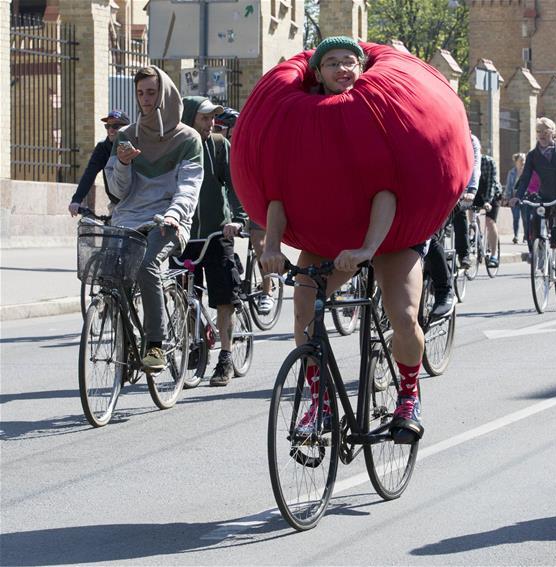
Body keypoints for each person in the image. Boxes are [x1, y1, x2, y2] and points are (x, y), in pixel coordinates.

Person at [258, 36, 466, 444]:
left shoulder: (376, 110)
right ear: (316, 72)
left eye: (349, 62)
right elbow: (280, 193)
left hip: (388, 234)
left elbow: (385, 191)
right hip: (329, 232)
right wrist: (270, 247)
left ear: (362, 68)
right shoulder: (299, 119)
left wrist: (369, 249)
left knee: (404, 314)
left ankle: (408, 396)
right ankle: (318, 402)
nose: (341, 68)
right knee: (304, 312)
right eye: (332, 62)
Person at [105, 66, 202, 371]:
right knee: (107, 270)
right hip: (129, 217)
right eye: (140, 93)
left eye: (152, 92)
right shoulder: (126, 135)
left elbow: (189, 187)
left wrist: (175, 215)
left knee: (148, 264)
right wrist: (121, 164)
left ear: (166, 94)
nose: (146, 100)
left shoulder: (188, 138)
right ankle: (124, 329)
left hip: (169, 220)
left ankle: (156, 344)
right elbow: (117, 192)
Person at [177, 96, 248, 386]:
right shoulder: (176, 146)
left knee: (223, 298)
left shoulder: (219, 145)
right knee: (182, 296)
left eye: (212, 118)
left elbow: (235, 184)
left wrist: (239, 218)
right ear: (190, 118)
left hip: (218, 233)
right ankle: (192, 343)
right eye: (205, 118)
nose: (211, 124)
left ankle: (226, 357)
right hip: (182, 235)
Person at [510, 117, 556, 295]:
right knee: (535, 219)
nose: (542, 135)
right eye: (539, 132)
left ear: (553, 133)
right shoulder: (533, 155)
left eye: (545, 132)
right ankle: (537, 250)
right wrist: (517, 196)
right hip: (544, 197)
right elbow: (525, 178)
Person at [68, 111, 131, 216]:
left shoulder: (135, 145)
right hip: (116, 206)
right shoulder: (102, 148)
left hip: (138, 203)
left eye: (115, 126)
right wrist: (77, 199)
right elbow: (89, 174)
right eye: (108, 126)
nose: (110, 130)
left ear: (127, 128)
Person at [453, 135, 481, 268]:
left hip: (462, 185)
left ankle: (464, 254)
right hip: (446, 183)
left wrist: (472, 189)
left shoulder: (471, 140)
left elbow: (475, 165)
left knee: (459, 213)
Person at [475, 151, 502, 268]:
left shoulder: (488, 162)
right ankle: (476, 235)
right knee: (471, 212)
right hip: (477, 193)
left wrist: (487, 201)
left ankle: (494, 255)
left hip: (493, 194)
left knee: (489, 222)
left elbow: (491, 184)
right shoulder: (469, 161)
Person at [504, 153, 526, 244]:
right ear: (516, 161)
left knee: (525, 218)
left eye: (524, 160)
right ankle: (516, 236)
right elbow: (509, 186)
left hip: (525, 198)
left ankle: (526, 235)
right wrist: (507, 197)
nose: (523, 162)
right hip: (514, 197)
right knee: (516, 217)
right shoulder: (512, 172)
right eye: (521, 160)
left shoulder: (527, 172)